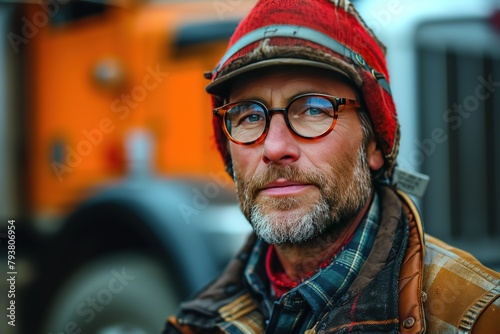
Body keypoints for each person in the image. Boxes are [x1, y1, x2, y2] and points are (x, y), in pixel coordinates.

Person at [164, 0, 500, 333]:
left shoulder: (478, 317)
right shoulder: (195, 323)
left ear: (373, 145)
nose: (275, 148)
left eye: (313, 109)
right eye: (250, 116)